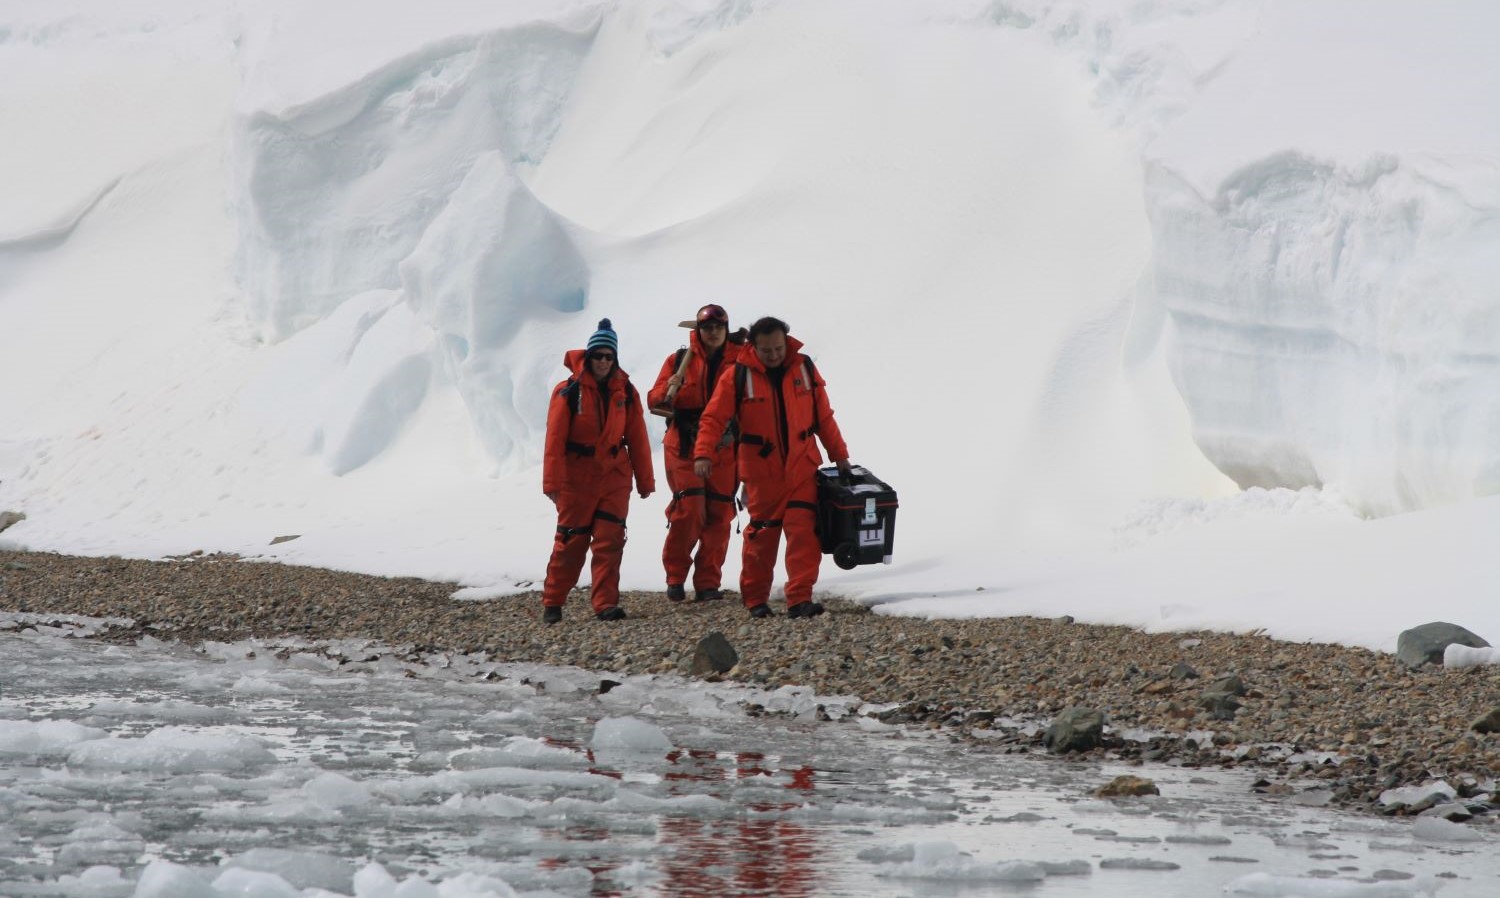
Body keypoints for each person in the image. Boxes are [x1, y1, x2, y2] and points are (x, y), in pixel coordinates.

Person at [692, 317, 851, 619]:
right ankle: (755, 600)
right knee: (761, 538)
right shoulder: (737, 376)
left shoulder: (804, 369)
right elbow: (713, 419)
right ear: (754, 346)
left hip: (802, 468)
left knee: (804, 533)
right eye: (767, 351)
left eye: (778, 348)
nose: (774, 355)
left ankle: (800, 599)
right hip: (762, 475)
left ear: (786, 341)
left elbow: (824, 417)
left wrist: (840, 456)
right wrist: (703, 454)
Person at [540, 318, 655, 624]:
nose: (603, 361)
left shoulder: (626, 391)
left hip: (615, 476)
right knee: (571, 542)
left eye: (608, 356)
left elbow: (638, 437)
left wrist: (646, 480)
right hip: (576, 478)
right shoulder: (568, 391)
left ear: (614, 359)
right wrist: (552, 481)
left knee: (610, 539)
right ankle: (553, 600)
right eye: (598, 355)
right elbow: (554, 439)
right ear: (588, 357)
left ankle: (605, 604)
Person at [647, 304, 743, 603]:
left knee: (719, 514)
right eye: (707, 327)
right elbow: (654, 400)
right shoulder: (678, 361)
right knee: (689, 511)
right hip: (685, 444)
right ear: (698, 331)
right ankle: (675, 577)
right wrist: (668, 393)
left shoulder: (741, 360)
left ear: (726, 330)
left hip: (724, 446)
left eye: (718, 327)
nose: (712, 332)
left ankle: (707, 583)